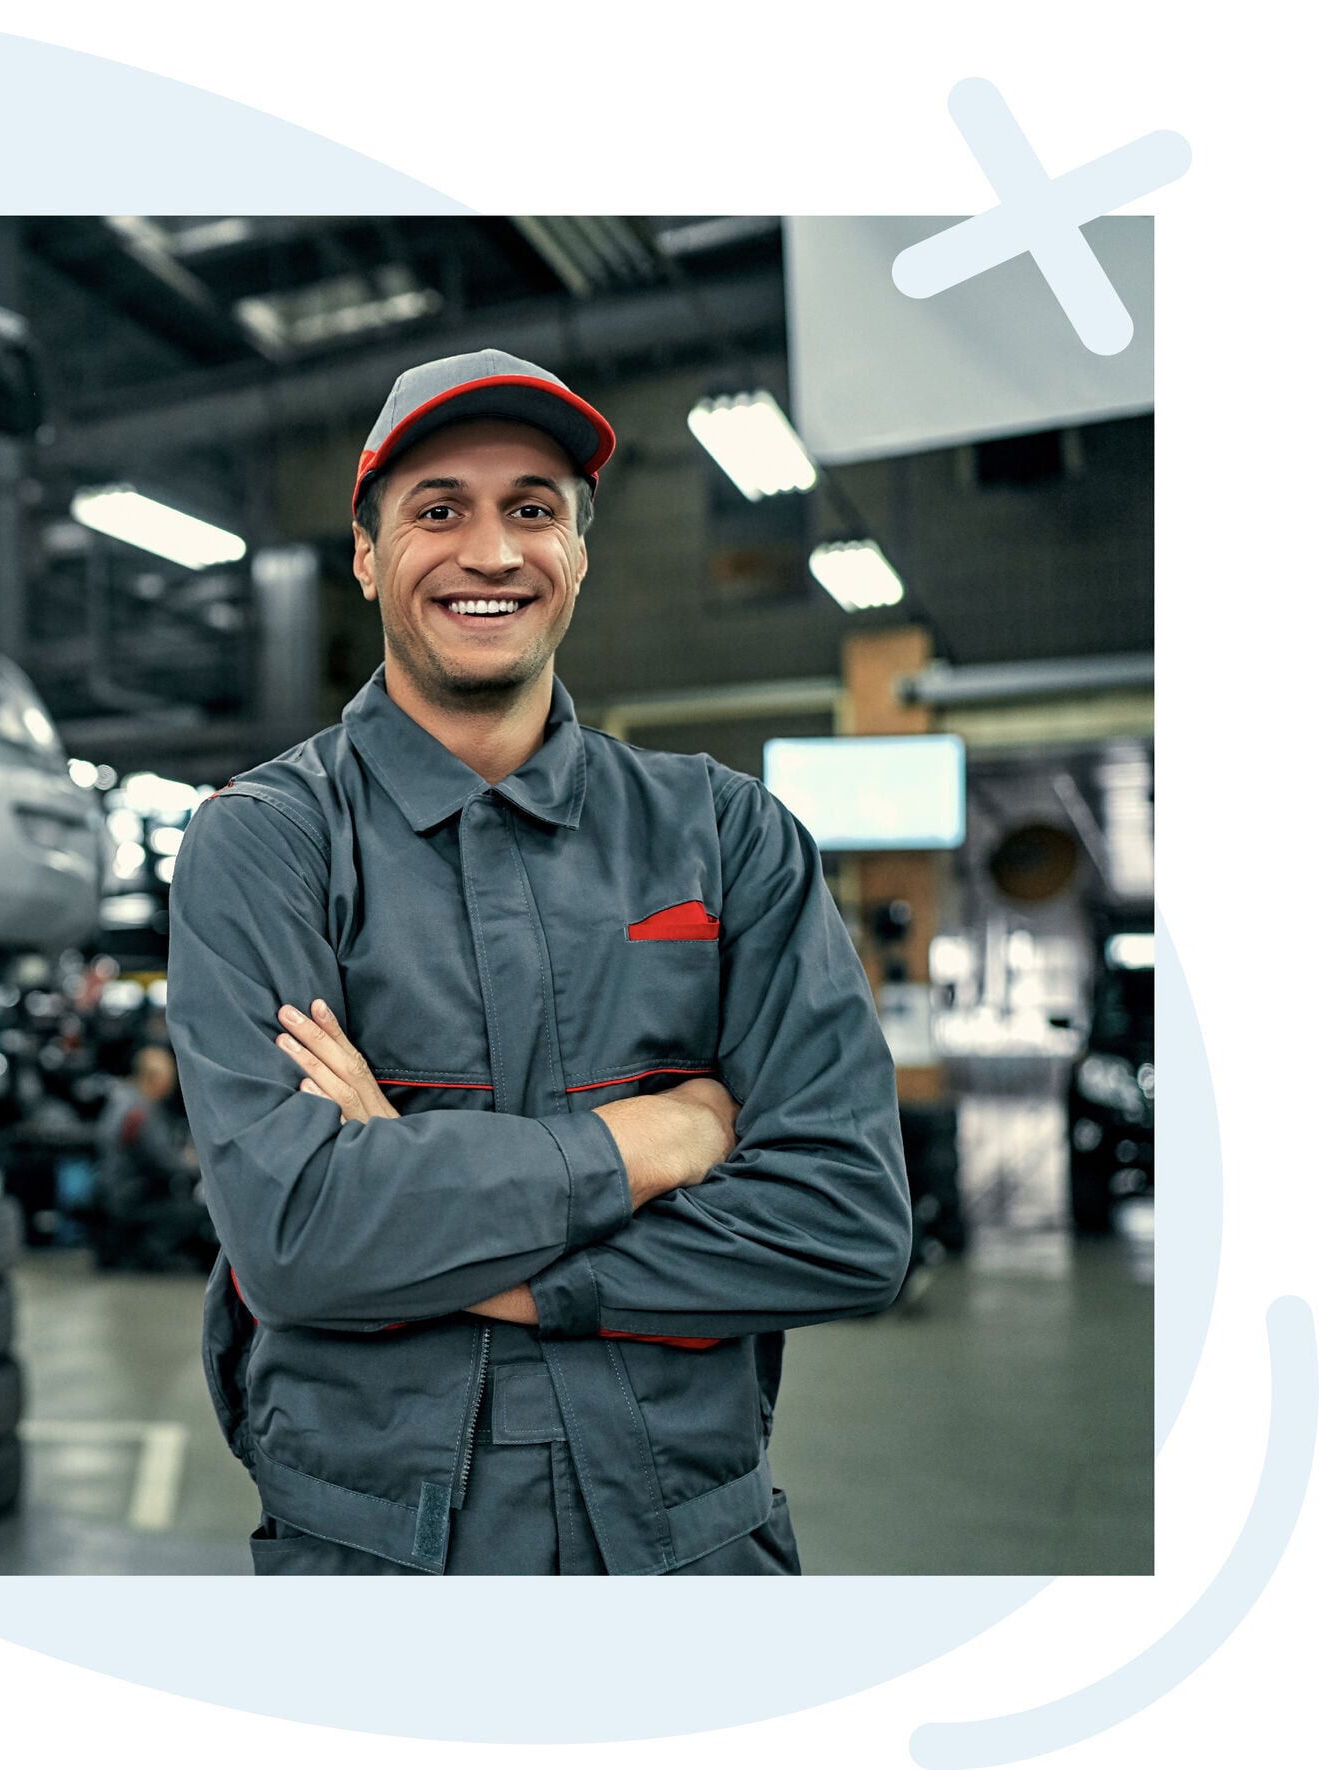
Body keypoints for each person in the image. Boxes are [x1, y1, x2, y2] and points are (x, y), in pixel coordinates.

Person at [166, 349, 912, 1575]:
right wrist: (656, 1142)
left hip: (692, 1550)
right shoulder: (268, 843)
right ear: (365, 555)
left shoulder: (727, 837)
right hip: (374, 1566)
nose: (493, 552)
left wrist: (465, 1250)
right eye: (438, 510)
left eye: (533, 510)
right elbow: (293, 1234)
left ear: (579, 551)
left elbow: (845, 1222)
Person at [91, 1044, 214, 1271]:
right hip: (133, 1196)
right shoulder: (141, 1112)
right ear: (155, 1077)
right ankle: (152, 1251)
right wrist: (203, 1166)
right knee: (203, 1209)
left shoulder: (121, 1100)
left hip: (111, 1190)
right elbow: (165, 1163)